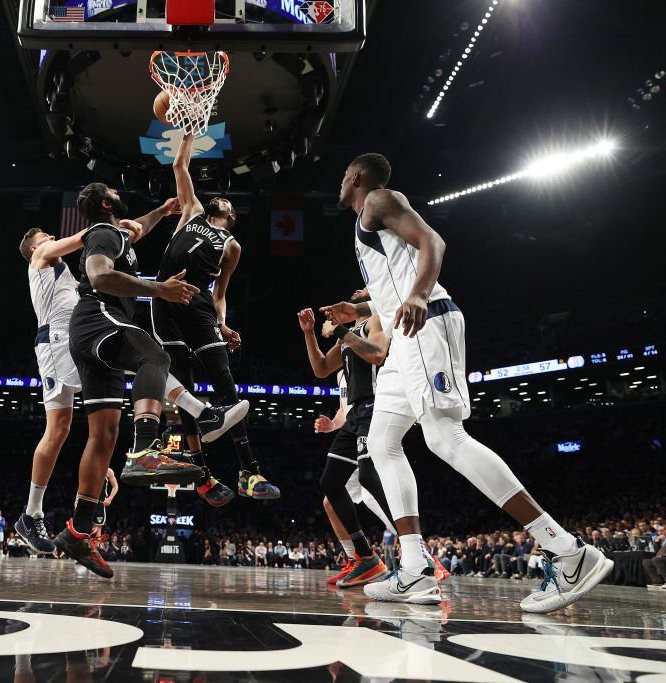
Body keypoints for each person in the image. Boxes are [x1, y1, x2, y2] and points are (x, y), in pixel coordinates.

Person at [324, 153, 613, 611]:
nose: (340, 183)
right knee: (381, 441)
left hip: (424, 325)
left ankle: (568, 551)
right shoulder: (367, 220)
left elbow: (432, 242)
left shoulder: (380, 198)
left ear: (355, 175)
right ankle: (415, 569)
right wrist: (360, 311)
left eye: (342, 175)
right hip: (402, 336)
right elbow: (394, 278)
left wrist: (418, 293)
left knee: (444, 437)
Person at [53, 184, 248, 578]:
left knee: (103, 437)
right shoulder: (103, 234)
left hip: (90, 338)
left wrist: (162, 210)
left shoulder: (118, 233)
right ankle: (147, 446)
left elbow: (138, 228)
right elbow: (99, 275)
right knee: (155, 355)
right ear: (107, 204)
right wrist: (159, 288)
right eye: (112, 191)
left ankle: (78, 530)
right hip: (100, 319)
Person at [153, 133, 278, 504]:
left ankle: (248, 471)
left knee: (225, 382)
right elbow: (180, 165)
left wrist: (222, 324)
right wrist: (189, 130)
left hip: (200, 305)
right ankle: (202, 474)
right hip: (166, 301)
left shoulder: (232, 245)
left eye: (228, 202)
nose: (222, 199)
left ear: (230, 217)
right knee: (186, 388)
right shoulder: (191, 211)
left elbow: (220, 291)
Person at [298, 295, 394, 589]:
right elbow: (321, 369)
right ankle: (365, 557)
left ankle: (420, 550)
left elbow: (377, 354)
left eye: (359, 293)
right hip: (354, 415)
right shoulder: (349, 337)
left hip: (376, 406)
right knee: (330, 484)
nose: (352, 295)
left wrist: (340, 331)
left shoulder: (374, 322)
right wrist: (309, 333)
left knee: (369, 479)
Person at [92, 468, 119, 536]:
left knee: (97, 528)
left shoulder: (108, 471)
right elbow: (82, 484)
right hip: (87, 501)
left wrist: (110, 498)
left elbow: (115, 486)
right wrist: (77, 500)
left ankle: (96, 547)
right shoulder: (89, 467)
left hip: (100, 503)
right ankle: (83, 546)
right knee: (84, 526)